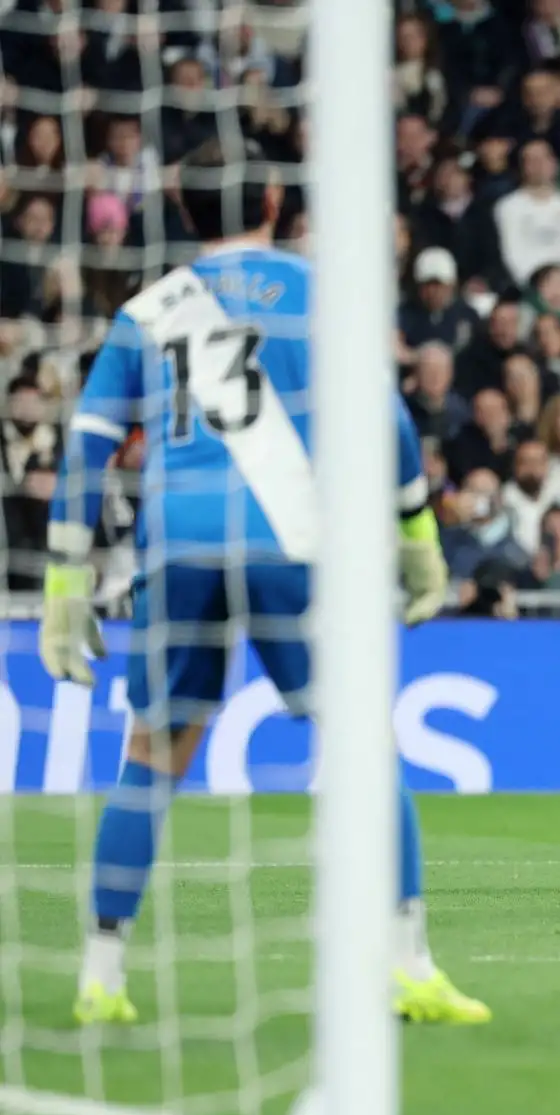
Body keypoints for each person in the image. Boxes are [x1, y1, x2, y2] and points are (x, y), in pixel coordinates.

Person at [40, 140, 487, 1026]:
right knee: (364, 748)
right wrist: (415, 533)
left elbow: (86, 451)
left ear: (181, 205)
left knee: (150, 758)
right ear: (276, 201)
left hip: (175, 550)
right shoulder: (323, 296)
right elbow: (389, 422)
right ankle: (408, 968)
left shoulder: (146, 312)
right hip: (292, 542)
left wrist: (63, 585)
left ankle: (100, 978)